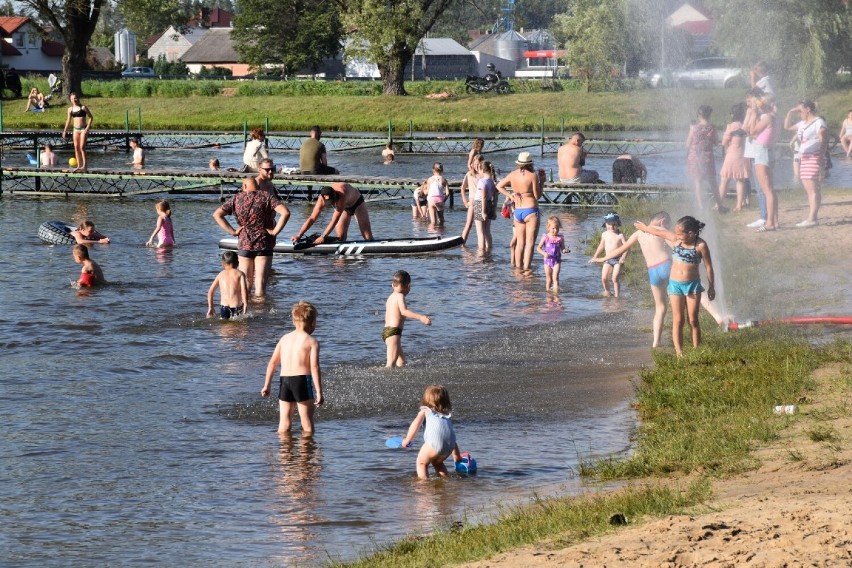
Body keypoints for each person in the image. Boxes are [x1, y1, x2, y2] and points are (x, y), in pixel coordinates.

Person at [633, 216, 715, 357]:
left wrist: (711, 287)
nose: (676, 236)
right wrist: (645, 228)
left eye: (679, 233)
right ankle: (679, 353)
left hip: (693, 285)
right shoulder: (676, 240)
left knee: (693, 319)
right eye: (675, 233)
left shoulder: (700, 245)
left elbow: (708, 267)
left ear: (691, 233)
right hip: (675, 285)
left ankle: (696, 350)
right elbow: (658, 233)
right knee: (678, 320)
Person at [213, 177, 291, 297]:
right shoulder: (266, 196)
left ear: (244, 187)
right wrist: (275, 232)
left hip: (245, 243)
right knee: (260, 283)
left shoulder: (236, 198)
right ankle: (260, 311)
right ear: (258, 187)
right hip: (264, 243)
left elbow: (217, 215)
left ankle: (245, 310)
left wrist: (233, 231)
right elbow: (285, 212)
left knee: (246, 283)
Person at [261, 301, 324, 434]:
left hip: (285, 381)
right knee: (307, 423)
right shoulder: (311, 341)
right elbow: (314, 366)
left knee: (284, 423)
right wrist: (319, 392)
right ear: (313, 322)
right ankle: (306, 453)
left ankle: (284, 453)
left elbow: (272, 362)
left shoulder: (284, 339)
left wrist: (267, 385)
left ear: (293, 321)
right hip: (301, 381)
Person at [400, 385, 463, 479]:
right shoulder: (447, 416)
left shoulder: (425, 410)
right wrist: (457, 457)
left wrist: (408, 439)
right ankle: (445, 480)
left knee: (421, 463)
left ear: (426, 399)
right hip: (449, 446)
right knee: (438, 463)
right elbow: (450, 436)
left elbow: (416, 424)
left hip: (434, 443)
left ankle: (424, 485)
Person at [784, 100, 828, 227]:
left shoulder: (818, 121)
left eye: (800, 111)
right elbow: (787, 127)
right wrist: (790, 112)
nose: (799, 113)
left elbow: (823, 137)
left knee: (813, 189)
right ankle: (812, 217)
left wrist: (821, 154)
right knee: (809, 189)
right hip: (804, 157)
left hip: (814, 156)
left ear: (808, 109)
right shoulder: (803, 123)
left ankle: (812, 218)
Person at [496, 152, 542, 271]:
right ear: (530, 163)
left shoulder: (512, 174)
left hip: (518, 211)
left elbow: (499, 186)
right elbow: (537, 196)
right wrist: (542, 181)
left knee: (520, 244)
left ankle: (517, 270)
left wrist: (510, 196)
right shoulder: (533, 175)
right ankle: (527, 270)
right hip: (531, 210)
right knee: (530, 243)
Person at [292, 183, 373, 244]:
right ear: (323, 198)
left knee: (367, 236)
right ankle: (342, 264)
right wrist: (299, 235)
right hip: (345, 209)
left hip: (357, 203)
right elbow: (312, 218)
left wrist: (323, 236)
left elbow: (334, 221)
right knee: (340, 239)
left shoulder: (342, 195)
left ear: (334, 194)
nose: (331, 203)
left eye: (332, 201)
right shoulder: (321, 199)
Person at [383, 270, 431, 368]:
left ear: (392, 285)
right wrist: (421, 317)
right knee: (390, 365)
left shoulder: (391, 297)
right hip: (393, 332)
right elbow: (404, 311)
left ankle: (399, 379)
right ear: (408, 286)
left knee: (402, 362)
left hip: (387, 332)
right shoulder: (400, 296)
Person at [746, 92, 779, 231]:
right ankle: (775, 221)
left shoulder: (767, 117)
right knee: (770, 189)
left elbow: (752, 131)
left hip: (762, 151)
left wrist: (753, 115)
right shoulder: (774, 116)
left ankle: (770, 223)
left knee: (767, 190)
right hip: (768, 151)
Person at [686, 105, 721, 211]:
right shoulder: (712, 127)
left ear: (699, 115)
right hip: (707, 157)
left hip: (695, 157)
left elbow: (688, 144)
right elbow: (716, 142)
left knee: (698, 181)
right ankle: (719, 204)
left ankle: (701, 206)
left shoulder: (694, 128)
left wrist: (690, 130)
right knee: (713, 181)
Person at [718, 103, 750, 211]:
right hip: (743, 154)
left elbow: (724, 142)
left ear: (733, 114)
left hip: (732, 153)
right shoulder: (745, 125)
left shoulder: (731, 126)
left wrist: (727, 147)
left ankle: (719, 203)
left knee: (725, 179)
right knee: (740, 180)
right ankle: (739, 205)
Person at [589, 212, 627, 297]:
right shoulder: (604, 234)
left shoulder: (620, 235)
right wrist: (595, 256)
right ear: (605, 224)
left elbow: (626, 248)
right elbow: (601, 246)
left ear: (618, 224)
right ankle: (607, 292)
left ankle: (617, 296)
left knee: (615, 278)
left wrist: (623, 257)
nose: (612, 226)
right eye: (609, 224)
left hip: (617, 260)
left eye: (614, 224)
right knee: (604, 278)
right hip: (607, 259)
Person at [206, 251, 248, 319]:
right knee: (239, 327)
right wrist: (245, 304)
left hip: (224, 308)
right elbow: (244, 290)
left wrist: (210, 307)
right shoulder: (240, 274)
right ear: (237, 263)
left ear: (222, 264)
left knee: (225, 327)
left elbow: (210, 291)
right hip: (236, 307)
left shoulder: (220, 275)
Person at [536, 216, 569, 291]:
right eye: (553, 228)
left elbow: (562, 248)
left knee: (555, 277)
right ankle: (548, 293)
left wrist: (565, 250)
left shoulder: (560, 238)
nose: (555, 230)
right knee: (549, 279)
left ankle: (556, 294)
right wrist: (544, 253)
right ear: (548, 228)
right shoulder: (546, 237)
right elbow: (538, 248)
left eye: (557, 228)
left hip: (557, 261)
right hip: (547, 261)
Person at [62, 92, 93, 172]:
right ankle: (79, 165)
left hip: (83, 129)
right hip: (75, 129)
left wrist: (88, 128)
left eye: (75, 98)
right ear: (70, 100)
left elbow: (91, 117)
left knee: (82, 147)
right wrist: (65, 130)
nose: (74, 100)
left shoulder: (83, 108)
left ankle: (84, 166)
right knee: (76, 147)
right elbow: (68, 120)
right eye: (72, 99)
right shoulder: (70, 109)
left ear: (78, 98)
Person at [472, 159, 497, 252]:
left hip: (480, 205)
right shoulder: (492, 181)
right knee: (487, 231)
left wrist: (482, 211)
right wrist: (494, 210)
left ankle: (481, 253)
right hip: (490, 204)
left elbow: (483, 197)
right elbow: (495, 197)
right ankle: (489, 250)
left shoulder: (482, 182)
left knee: (480, 232)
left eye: (479, 169)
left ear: (482, 170)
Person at [459, 152, 482, 242]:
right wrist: (465, 201)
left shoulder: (483, 175)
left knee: (481, 229)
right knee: (468, 224)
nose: (476, 166)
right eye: (475, 164)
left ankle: (483, 249)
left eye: (478, 164)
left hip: (480, 201)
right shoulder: (469, 174)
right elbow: (462, 188)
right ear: (472, 164)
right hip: (472, 201)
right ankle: (462, 243)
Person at [424, 162, 449, 226]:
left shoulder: (429, 179)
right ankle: (441, 232)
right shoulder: (444, 180)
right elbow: (447, 193)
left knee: (433, 221)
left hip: (431, 200)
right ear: (442, 170)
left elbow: (427, 192)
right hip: (440, 199)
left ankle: (432, 233)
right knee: (441, 218)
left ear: (433, 170)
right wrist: (444, 200)